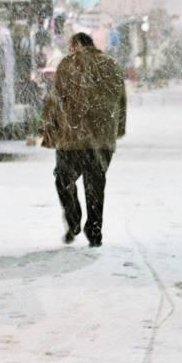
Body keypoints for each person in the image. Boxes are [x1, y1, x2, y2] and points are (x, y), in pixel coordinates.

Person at [42, 32, 127, 247]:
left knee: (64, 180)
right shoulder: (111, 65)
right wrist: (117, 129)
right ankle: (95, 231)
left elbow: (55, 100)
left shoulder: (67, 65)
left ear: (74, 46)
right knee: (95, 185)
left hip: (72, 139)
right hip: (101, 140)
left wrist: (50, 131)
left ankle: (73, 221)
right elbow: (121, 100)